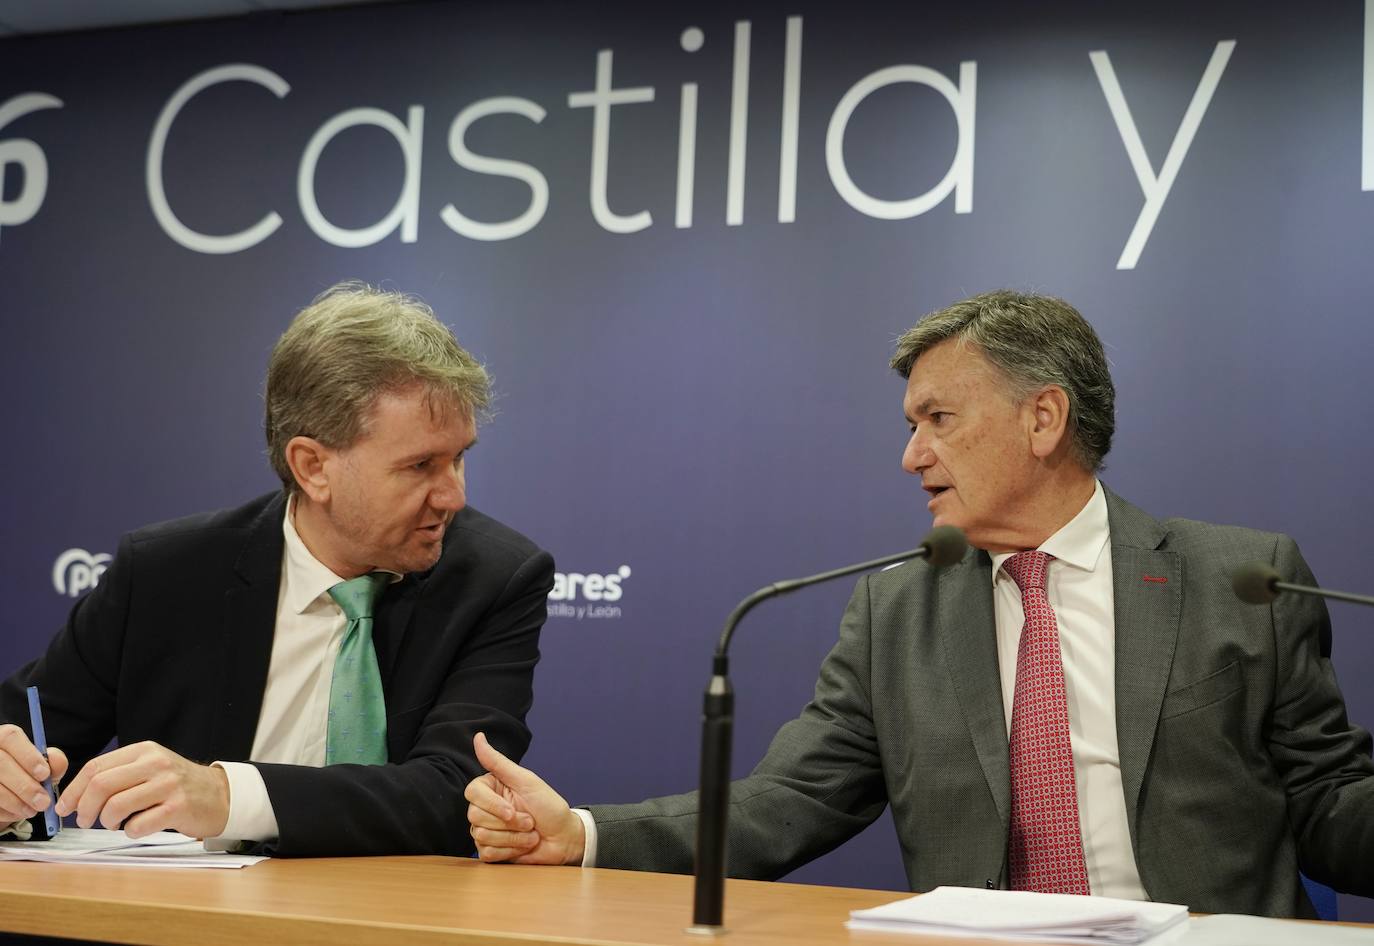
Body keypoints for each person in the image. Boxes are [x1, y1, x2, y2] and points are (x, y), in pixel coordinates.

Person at [464, 290, 1374, 917]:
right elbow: (788, 803)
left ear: (1043, 419)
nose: (912, 455)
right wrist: (581, 832)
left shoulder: (1239, 581)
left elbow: (1330, 807)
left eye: (938, 419)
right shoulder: (896, 611)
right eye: (910, 426)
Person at [0, 282, 554, 856]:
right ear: (312, 466)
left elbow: (455, 794)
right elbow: (28, 736)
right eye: (421, 465)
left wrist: (226, 795)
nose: (453, 495)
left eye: (459, 457)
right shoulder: (166, 572)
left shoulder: (496, 578)